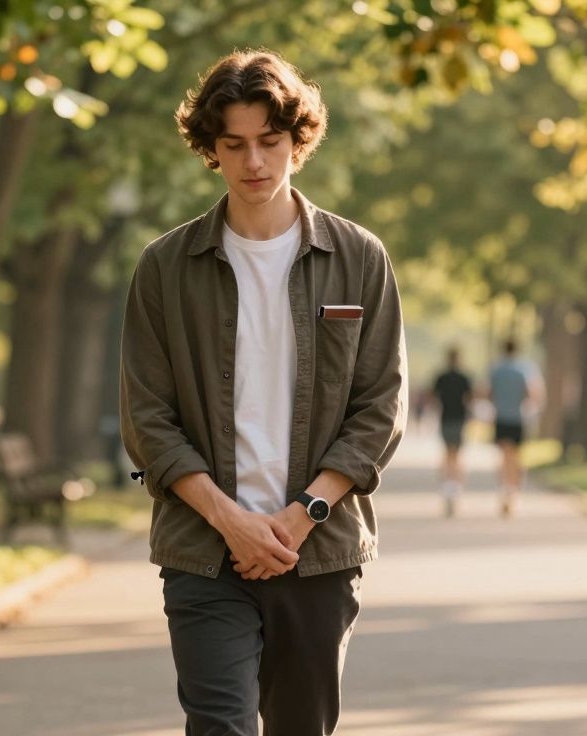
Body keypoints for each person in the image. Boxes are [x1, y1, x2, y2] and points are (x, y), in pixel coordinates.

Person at [119, 50, 407, 736]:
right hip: (204, 548)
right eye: (235, 145)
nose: (254, 162)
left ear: (298, 143)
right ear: (210, 152)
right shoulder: (165, 267)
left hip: (319, 550)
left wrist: (301, 514)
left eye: (270, 143)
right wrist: (232, 521)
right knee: (219, 726)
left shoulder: (359, 257)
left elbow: (382, 406)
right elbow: (147, 419)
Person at [487, 338, 543, 517]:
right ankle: (513, 490)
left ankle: (504, 490)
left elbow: (489, 393)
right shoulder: (524, 370)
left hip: (501, 418)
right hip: (517, 419)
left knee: (504, 455)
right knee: (517, 456)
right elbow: (531, 394)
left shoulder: (496, 369)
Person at [431, 347, 472, 517]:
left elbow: (434, 398)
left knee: (447, 454)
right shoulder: (464, 378)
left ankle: (447, 488)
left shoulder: (441, 377)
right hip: (460, 419)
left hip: (445, 418)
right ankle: (456, 488)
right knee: (457, 456)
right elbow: (470, 398)